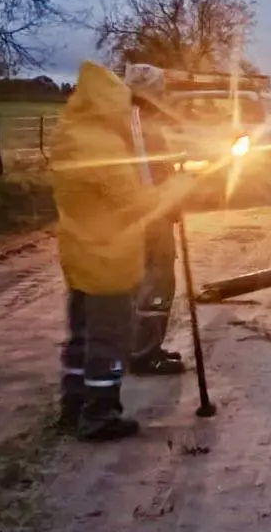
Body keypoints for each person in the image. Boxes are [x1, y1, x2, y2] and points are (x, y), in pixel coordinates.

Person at [50, 61, 198, 441]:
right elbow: (133, 205)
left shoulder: (71, 134)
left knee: (81, 336)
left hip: (79, 251)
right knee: (109, 340)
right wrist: (176, 189)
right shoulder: (103, 144)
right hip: (109, 259)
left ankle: (74, 404)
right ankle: (100, 415)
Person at [124, 63, 186, 377]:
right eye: (159, 89)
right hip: (149, 216)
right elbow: (148, 175)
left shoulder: (130, 118)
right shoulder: (139, 122)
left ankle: (138, 348)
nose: (164, 94)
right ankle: (146, 355)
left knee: (140, 282)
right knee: (158, 281)